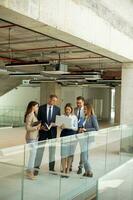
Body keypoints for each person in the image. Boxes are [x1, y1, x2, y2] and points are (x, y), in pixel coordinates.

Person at [34, 94, 60, 175]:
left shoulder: (57, 109)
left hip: (52, 132)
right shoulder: (41, 108)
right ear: (49, 99)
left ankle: (51, 169)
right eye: (53, 100)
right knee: (40, 150)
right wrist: (41, 126)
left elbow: (58, 121)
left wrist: (55, 124)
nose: (54, 102)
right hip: (43, 132)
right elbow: (38, 120)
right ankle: (36, 168)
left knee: (52, 151)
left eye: (55, 101)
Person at [78, 103, 99, 177]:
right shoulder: (83, 117)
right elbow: (80, 126)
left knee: (84, 156)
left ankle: (89, 171)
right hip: (82, 138)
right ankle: (87, 171)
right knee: (85, 155)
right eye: (84, 109)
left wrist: (86, 129)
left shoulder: (93, 117)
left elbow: (96, 128)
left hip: (88, 138)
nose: (84, 110)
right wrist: (80, 129)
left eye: (85, 109)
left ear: (89, 109)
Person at [60, 103, 78, 177]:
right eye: (66, 109)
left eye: (69, 109)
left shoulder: (74, 117)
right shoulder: (62, 116)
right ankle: (63, 170)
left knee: (70, 154)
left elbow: (76, 128)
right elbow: (60, 126)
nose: (67, 111)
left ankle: (67, 171)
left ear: (71, 110)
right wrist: (61, 126)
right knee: (63, 154)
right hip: (64, 135)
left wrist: (69, 126)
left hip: (72, 135)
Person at [24, 101, 41, 180]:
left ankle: (29, 171)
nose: (37, 108)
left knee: (33, 156)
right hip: (31, 138)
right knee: (32, 156)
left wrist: (38, 126)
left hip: (34, 137)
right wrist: (36, 127)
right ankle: (30, 173)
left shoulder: (34, 114)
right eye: (37, 106)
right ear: (32, 107)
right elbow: (27, 128)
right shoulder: (30, 115)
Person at [73, 96, 85, 174]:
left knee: (82, 151)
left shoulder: (86, 110)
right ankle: (70, 165)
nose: (78, 104)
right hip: (74, 131)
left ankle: (80, 167)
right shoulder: (74, 109)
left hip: (82, 132)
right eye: (77, 103)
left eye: (80, 103)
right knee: (72, 149)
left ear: (83, 102)